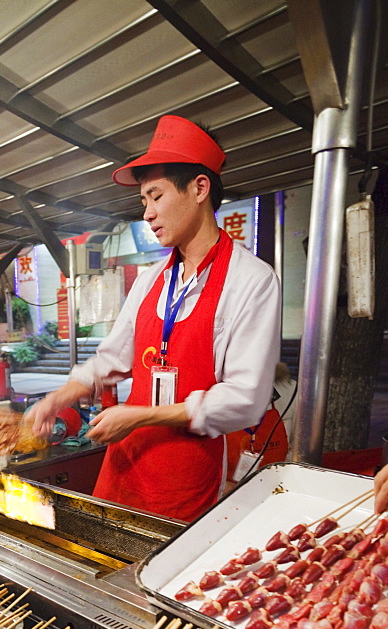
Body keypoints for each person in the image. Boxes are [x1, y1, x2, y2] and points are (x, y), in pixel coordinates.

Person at [29, 116, 281, 521]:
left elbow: (245, 399)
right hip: (125, 464)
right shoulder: (151, 281)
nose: (147, 213)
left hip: (185, 475)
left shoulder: (251, 280)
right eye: (143, 201)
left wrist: (142, 415)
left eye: (155, 196)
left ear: (199, 188)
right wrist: (60, 397)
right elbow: (113, 358)